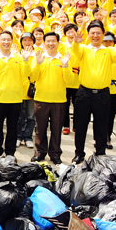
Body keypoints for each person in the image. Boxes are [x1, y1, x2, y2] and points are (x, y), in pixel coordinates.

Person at [68, 20, 116, 164]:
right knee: (80, 125)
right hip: (84, 93)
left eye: (98, 33)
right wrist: (76, 42)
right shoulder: (83, 49)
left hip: (103, 94)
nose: (95, 36)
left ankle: (100, 154)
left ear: (103, 34)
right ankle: (79, 153)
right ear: (88, 35)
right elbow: (75, 50)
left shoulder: (108, 51)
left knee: (101, 126)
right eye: (93, 33)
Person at [0, 31, 31, 160]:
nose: (6, 42)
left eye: (8, 39)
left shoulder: (18, 57)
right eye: (3, 39)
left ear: (12, 41)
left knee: (12, 128)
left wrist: (26, 60)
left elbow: (26, 74)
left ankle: (10, 153)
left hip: (15, 98)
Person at [31, 32, 68, 164]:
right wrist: (38, 64)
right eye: (48, 41)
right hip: (41, 99)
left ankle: (55, 153)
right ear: (44, 43)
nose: (51, 44)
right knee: (40, 129)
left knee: (56, 129)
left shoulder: (63, 59)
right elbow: (33, 77)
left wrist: (65, 66)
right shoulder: (39, 58)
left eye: (53, 41)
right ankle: (40, 152)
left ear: (58, 43)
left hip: (59, 100)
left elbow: (69, 81)